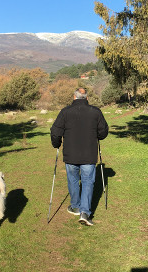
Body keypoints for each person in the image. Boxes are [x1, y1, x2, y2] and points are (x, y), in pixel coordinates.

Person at [50, 87, 108, 226]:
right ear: (86, 98)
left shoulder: (65, 112)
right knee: (88, 182)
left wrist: (56, 144)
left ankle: (75, 206)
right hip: (89, 154)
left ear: (74, 97)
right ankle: (84, 212)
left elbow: (55, 132)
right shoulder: (95, 112)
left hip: (71, 155)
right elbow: (103, 132)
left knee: (73, 180)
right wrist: (97, 135)